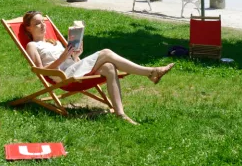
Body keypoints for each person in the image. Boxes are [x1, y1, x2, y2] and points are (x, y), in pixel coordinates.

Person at [21, 11, 174, 125]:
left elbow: (72, 60)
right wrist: (62, 58)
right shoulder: (32, 45)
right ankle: (150, 72)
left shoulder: (53, 42)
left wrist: (76, 54)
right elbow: (40, 70)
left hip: (74, 68)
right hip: (64, 76)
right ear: (28, 28)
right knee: (106, 52)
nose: (43, 26)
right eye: (37, 24)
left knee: (108, 66)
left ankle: (120, 114)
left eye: (43, 22)